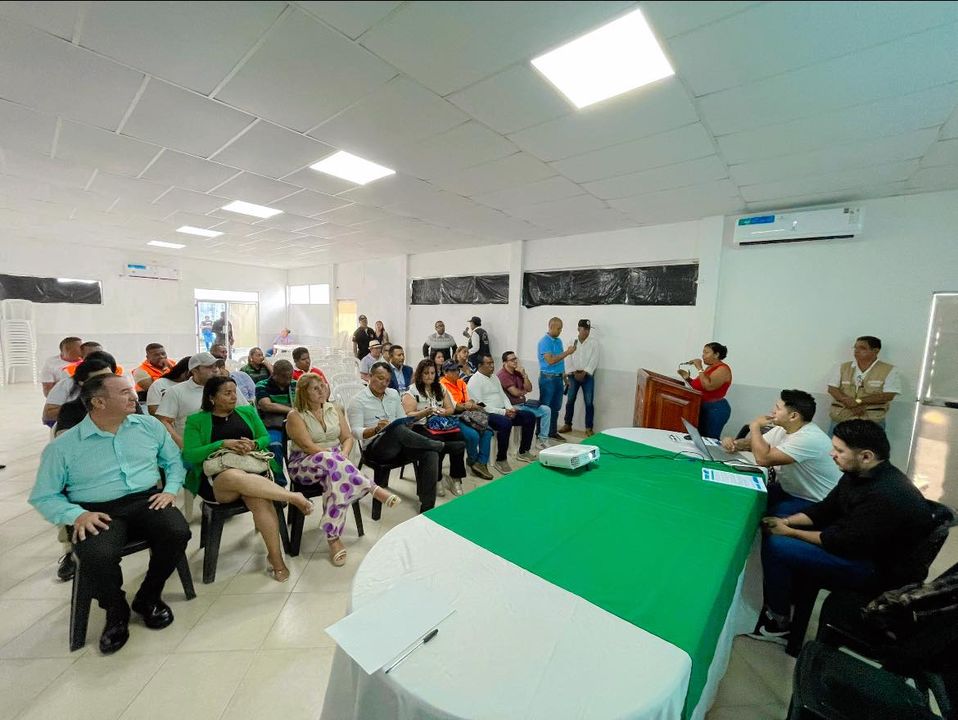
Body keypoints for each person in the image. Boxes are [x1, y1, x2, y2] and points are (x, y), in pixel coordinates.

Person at [30, 374, 191, 654]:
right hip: (95, 510)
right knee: (97, 554)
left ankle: (148, 597)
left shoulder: (148, 426)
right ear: (99, 402)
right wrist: (75, 515)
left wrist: (170, 489)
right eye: (124, 392)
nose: (134, 397)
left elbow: (173, 461)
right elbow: (44, 495)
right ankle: (115, 610)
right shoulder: (65, 446)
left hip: (145, 500)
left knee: (177, 532)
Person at [750, 420, 938, 646]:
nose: (832, 454)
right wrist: (787, 521)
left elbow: (840, 542)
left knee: (778, 545)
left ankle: (779, 621)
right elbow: (825, 510)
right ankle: (786, 595)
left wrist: (789, 531)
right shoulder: (856, 473)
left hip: (878, 570)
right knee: (779, 522)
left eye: (839, 451)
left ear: (866, 456)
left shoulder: (885, 494)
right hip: (855, 544)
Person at [182, 376, 314, 583]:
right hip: (218, 481)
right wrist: (222, 444)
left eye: (234, 392)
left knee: (258, 498)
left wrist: (253, 445)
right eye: (227, 393)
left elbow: (265, 438)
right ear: (212, 397)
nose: (233, 397)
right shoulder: (196, 421)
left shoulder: (247, 412)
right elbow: (189, 455)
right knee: (233, 475)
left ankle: (276, 559)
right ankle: (291, 497)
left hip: (253, 473)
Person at [286, 373, 400, 566]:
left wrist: (343, 455)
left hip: (335, 464)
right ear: (304, 393)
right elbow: (307, 446)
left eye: (323, 386)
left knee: (335, 476)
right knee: (332, 463)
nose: (322, 390)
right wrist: (336, 458)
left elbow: (347, 438)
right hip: (304, 464)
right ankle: (371, 488)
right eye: (315, 388)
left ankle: (333, 538)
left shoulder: (334, 409)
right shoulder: (295, 415)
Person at [722, 390, 841, 517]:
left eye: (778, 408)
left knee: (757, 515)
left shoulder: (808, 438)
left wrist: (755, 426)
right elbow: (753, 444)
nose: (773, 411)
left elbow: (763, 459)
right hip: (791, 490)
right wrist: (734, 443)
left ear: (793, 416)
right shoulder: (782, 429)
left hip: (817, 500)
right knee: (744, 497)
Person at [347, 362, 445, 513]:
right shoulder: (358, 400)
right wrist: (376, 429)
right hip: (375, 448)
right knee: (396, 429)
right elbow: (355, 432)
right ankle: (438, 445)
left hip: (398, 442)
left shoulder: (393, 394)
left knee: (430, 453)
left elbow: (401, 418)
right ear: (370, 376)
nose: (384, 383)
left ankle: (427, 507)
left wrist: (410, 421)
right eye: (380, 378)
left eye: (387, 380)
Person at [402, 358, 469, 497]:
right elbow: (409, 416)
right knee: (439, 442)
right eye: (426, 373)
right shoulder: (412, 391)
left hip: (440, 424)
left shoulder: (440, 387)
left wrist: (444, 412)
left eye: (432, 373)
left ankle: (456, 478)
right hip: (420, 425)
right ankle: (437, 478)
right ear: (420, 374)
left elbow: (450, 408)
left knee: (460, 437)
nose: (430, 376)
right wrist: (424, 412)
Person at [468, 353, 537, 470]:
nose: (492, 366)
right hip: (487, 414)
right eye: (488, 363)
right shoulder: (475, 380)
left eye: (492, 363)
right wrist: (503, 412)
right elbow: (480, 405)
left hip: (504, 410)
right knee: (505, 423)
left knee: (530, 416)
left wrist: (510, 408)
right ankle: (501, 459)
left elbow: (503, 396)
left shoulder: (494, 377)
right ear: (480, 365)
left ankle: (523, 451)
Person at [827, 335, 902, 430]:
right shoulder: (843, 367)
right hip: (841, 418)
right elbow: (832, 389)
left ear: (876, 351)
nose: (856, 351)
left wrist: (858, 401)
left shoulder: (889, 370)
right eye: (855, 348)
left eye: (862, 348)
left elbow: (888, 395)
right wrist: (850, 403)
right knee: (835, 440)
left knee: (870, 440)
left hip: (871, 421)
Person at [439, 360, 495, 480]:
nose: (457, 372)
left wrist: (470, 402)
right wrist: (466, 406)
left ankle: (481, 463)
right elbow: (453, 406)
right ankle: (472, 461)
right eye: (453, 370)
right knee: (473, 435)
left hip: (467, 413)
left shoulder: (461, 382)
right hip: (453, 416)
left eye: (457, 369)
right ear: (445, 372)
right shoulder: (442, 385)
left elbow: (469, 398)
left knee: (487, 431)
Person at [43, 350, 129, 426]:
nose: (103, 380)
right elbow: (48, 415)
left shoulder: (120, 384)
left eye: (107, 375)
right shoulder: (67, 385)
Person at [155, 352, 220, 448]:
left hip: (224, 447)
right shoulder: (176, 391)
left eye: (216, 366)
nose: (215, 370)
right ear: (194, 370)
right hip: (193, 448)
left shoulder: (227, 388)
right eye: (209, 367)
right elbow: (164, 421)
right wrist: (181, 443)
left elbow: (241, 411)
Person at [498, 350, 553, 450]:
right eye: (512, 360)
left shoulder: (518, 372)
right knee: (530, 415)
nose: (515, 361)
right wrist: (523, 392)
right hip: (512, 407)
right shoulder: (502, 375)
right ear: (505, 362)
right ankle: (525, 448)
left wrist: (524, 375)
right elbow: (515, 393)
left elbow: (529, 388)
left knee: (546, 410)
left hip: (523, 404)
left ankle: (542, 440)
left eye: (515, 359)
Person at [676, 342, 732, 438]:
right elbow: (699, 387)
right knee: (699, 437)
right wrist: (688, 378)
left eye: (706, 352)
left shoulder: (722, 369)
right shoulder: (709, 368)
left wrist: (699, 367)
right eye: (703, 352)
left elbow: (709, 386)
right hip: (702, 406)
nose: (703, 355)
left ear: (716, 354)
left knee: (709, 439)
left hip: (715, 409)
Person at [254, 359, 296, 484]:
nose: (288, 380)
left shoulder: (295, 384)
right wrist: (291, 410)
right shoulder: (262, 385)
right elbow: (266, 405)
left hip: (295, 424)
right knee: (274, 446)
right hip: (273, 425)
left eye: (290, 376)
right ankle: (279, 483)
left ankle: (300, 481)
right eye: (284, 377)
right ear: (274, 374)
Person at [537, 317, 576, 441]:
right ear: (551, 327)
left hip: (558, 378)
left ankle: (552, 432)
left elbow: (560, 361)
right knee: (545, 408)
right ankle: (540, 433)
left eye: (561, 329)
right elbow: (550, 360)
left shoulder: (558, 341)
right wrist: (568, 352)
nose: (560, 331)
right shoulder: (544, 342)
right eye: (558, 329)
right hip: (547, 379)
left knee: (556, 408)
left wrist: (564, 377)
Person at [559, 319, 599, 437]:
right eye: (584, 329)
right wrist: (573, 372)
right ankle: (567, 424)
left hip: (588, 376)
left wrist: (585, 372)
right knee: (570, 400)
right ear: (578, 329)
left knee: (589, 402)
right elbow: (568, 358)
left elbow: (594, 359)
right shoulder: (572, 341)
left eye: (588, 329)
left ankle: (589, 428)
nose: (586, 331)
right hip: (573, 375)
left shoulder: (594, 343)